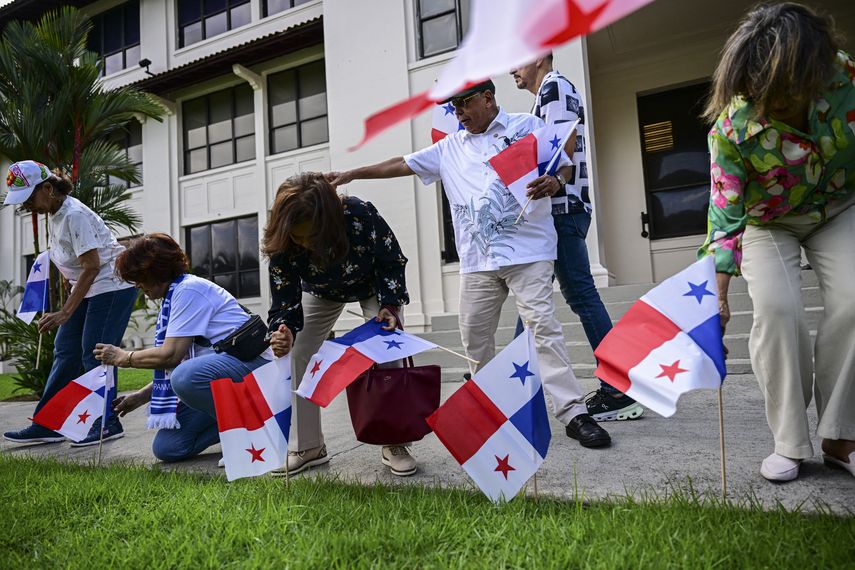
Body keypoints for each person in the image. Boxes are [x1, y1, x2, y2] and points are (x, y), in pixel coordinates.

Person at [326, 80, 612, 448]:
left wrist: (555, 181)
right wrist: (352, 174)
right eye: (454, 107)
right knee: (474, 338)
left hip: (529, 253)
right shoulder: (449, 147)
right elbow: (402, 163)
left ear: (487, 98)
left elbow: (565, 164)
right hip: (478, 262)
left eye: (463, 105)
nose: (457, 114)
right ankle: (491, 407)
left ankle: (573, 413)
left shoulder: (527, 126)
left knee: (544, 327)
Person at [699, 2, 855, 481]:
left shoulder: (845, 77)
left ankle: (840, 435)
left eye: (776, 94)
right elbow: (724, 215)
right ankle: (789, 441)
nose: (763, 104)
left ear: (809, 75)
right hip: (768, 222)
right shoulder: (732, 128)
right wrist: (718, 298)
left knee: (853, 301)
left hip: (840, 206)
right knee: (778, 309)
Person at [510, 55, 643, 422]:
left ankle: (618, 389)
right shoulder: (547, 94)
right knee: (531, 296)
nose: (511, 70)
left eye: (517, 61)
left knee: (578, 295)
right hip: (559, 211)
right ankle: (513, 384)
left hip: (561, 210)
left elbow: (557, 150)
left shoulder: (554, 87)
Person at [263, 172, 416, 476]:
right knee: (298, 350)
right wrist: (283, 329)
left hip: (372, 285)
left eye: (311, 234)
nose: (305, 243)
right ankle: (308, 446)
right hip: (320, 291)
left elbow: (391, 260)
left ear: (330, 220)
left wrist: (389, 306)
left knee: (387, 347)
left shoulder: (360, 214)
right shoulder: (282, 237)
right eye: (298, 237)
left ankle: (394, 441)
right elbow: (284, 295)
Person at [93, 233, 270, 462]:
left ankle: (248, 435)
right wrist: (141, 396)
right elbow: (187, 359)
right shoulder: (176, 295)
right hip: (229, 375)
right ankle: (262, 420)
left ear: (155, 271)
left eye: (139, 278)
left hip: (255, 369)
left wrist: (124, 357)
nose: (138, 286)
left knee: (185, 377)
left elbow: (171, 356)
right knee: (169, 447)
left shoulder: (188, 290)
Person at [3, 161, 136, 446]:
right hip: (88, 288)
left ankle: (107, 422)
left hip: (111, 287)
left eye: (28, 198)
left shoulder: (73, 214)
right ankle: (50, 423)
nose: (27, 207)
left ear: (48, 189)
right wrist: (68, 282)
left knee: (96, 353)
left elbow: (91, 266)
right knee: (65, 352)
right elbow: (75, 263)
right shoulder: (55, 213)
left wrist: (65, 312)